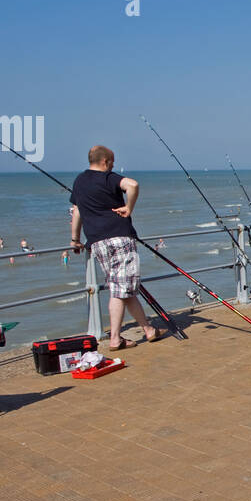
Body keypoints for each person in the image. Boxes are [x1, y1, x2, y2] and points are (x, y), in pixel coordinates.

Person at [70, 145, 160, 350]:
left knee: (122, 287)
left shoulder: (79, 181)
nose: (113, 165)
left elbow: (77, 212)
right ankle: (115, 339)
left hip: (97, 242)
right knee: (119, 292)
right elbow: (133, 185)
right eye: (112, 162)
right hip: (119, 237)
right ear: (104, 161)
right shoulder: (108, 177)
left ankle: (148, 329)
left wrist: (75, 239)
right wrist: (129, 207)